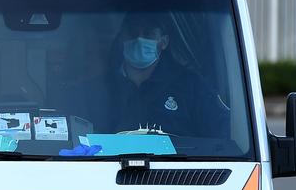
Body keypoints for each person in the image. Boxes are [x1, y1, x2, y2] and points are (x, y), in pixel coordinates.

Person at [71, 12, 230, 138]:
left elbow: (222, 138)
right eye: (132, 32)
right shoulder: (97, 89)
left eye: (148, 33)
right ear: (121, 39)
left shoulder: (192, 87)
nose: (139, 39)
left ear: (164, 41)